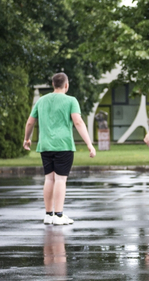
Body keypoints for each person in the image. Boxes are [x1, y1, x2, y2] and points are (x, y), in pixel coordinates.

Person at [23, 72, 96, 225]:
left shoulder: (41, 101)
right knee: (61, 180)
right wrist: (89, 144)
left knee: (49, 178)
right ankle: (59, 215)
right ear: (66, 85)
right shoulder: (71, 101)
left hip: (45, 145)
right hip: (63, 145)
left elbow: (30, 122)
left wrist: (27, 139)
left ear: (52, 85)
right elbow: (78, 122)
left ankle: (48, 214)